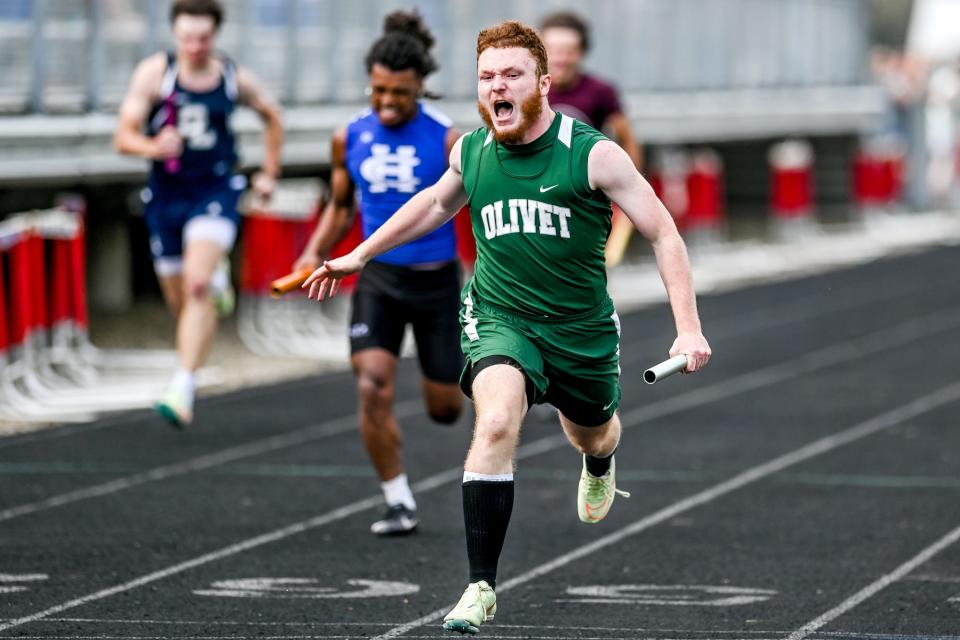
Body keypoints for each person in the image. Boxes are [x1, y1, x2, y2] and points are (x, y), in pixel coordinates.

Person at [303, 20, 711, 634]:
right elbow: (436, 204)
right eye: (487, 77)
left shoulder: (592, 153)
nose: (498, 87)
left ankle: (601, 463)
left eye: (512, 75)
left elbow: (662, 231)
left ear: (543, 84)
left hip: (579, 329)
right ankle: (480, 586)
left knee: (592, 434)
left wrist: (688, 328)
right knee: (495, 420)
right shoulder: (471, 151)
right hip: (500, 316)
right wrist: (362, 252)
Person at [292, 11, 464, 536]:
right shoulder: (349, 137)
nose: (387, 103)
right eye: (378, 92)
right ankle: (397, 500)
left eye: (400, 94)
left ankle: (438, 381)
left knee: (445, 410)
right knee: (371, 387)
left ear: (420, 89)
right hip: (379, 281)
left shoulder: (449, 139)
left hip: (436, 284)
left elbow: (473, 209)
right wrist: (313, 251)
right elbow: (341, 206)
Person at [114, 0, 283, 429]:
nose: (195, 46)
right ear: (175, 35)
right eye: (187, 37)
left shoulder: (231, 77)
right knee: (181, 301)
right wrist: (154, 146)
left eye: (203, 37)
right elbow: (123, 136)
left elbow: (272, 115)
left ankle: (182, 386)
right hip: (167, 196)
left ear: (215, 36)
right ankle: (216, 282)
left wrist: (268, 172)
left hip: (216, 190)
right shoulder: (156, 73)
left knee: (195, 286)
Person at [540, 10, 643, 266]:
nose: (561, 58)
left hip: (584, 204)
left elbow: (628, 140)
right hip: (538, 201)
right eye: (553, 49)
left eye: (569, 50)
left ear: (582, 52)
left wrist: (630, 191)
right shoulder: (527, 89)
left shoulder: (601, 92)